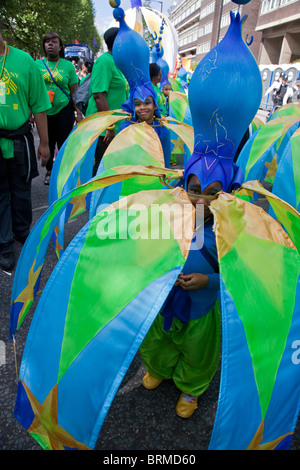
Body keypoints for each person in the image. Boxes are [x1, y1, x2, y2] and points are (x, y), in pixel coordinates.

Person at [140, 153, 243, 418]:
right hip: (163, 303)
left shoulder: (230, 229)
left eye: (213, 194)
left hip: (201, 309)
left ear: (228, 194)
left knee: (198, 351)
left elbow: (241, 274)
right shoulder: (167, 215)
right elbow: (148, 253)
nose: (200, 201)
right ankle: (160, 368)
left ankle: (191, 387)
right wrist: (162, 273)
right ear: (183, 185)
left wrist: (209, 280)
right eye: (194, 190)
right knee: (156, 341)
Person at [0, 26, 51, 271]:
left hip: (19, 141)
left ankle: (22, 234)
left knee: (21, 191)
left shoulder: (24, 61)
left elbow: (39, 104)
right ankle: (4, 244)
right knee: (0, 194)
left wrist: (44, 142)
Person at [36, 32, 82, 185]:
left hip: (64, 111)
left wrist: (78, 113)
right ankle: (49, 171)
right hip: (43, 112)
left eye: (54, 42)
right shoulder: (37, 65)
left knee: (63, 143)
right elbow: (32, 91)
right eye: (47, 42)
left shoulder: (68, 66)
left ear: (60, 46)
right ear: (44, 45)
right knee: (48, 142)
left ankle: (63, 173)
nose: (50, 44)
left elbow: (75, 91)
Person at [85, 27, 128, 176]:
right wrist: (109, 125)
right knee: (102, 168)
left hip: (114, 125)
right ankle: (95, 199)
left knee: (110, 167)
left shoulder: (117, 62)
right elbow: (98, 96)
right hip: (104, 128)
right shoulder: (104, 61)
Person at [119, 94, 171, 167]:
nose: (142, 107)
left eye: (147, 103)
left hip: (154, 175)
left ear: (155, 106)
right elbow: (119, 157)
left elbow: (165, 159)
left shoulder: (162, 130)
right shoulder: (126, 128)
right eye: (137, 104)